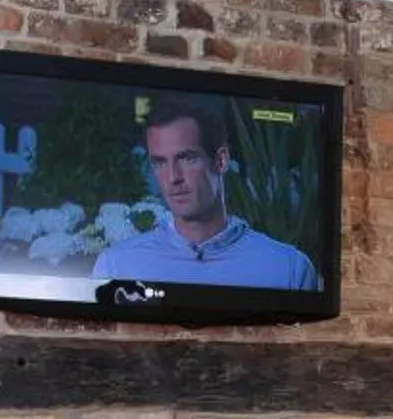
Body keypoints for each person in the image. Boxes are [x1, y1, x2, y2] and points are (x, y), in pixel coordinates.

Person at [92, 99, 322, 290]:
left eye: (187, 158)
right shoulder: (116, 266)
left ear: (221, 161)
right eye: (160, 162)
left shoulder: (288, 269)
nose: (173, 177)